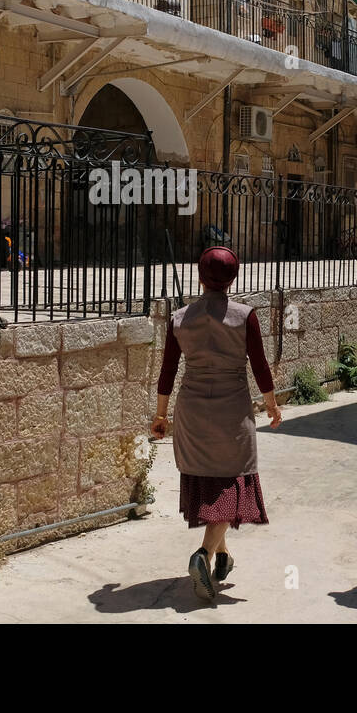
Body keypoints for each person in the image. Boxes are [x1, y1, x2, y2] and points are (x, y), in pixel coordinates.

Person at [150, 246, 282, 603]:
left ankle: (223, 554)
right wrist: (271, 405)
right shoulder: (245, 316)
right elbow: (259, 365)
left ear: (199, 276)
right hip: (231, 412)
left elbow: (167, 372)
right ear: (233, 278)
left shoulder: (180, 318)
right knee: (235, 485)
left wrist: (161, 415)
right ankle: (203, 556)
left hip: (191, 409)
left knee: (211, 483)